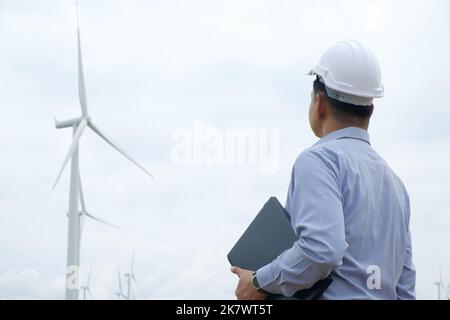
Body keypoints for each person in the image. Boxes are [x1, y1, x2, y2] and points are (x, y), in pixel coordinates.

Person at [231, 40, 416, 300]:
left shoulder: (318, 161)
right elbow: (405, 288)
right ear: (370, 110)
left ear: (319, 103)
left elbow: (321, 250)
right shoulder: (397, 186)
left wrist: (259, 282)